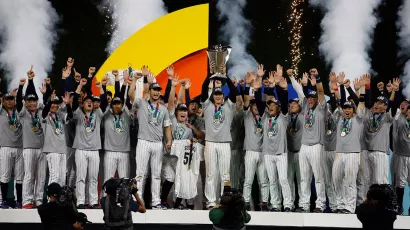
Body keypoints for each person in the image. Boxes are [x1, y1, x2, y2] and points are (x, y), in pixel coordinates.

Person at [128, 77, 172, 209]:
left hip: (158, 143)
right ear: (150, 91)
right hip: (143, 141)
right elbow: (130, 95)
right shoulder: (142, 103)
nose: (156, 92)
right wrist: (134, 81)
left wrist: (169, 140)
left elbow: (167, 126)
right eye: (154, 90)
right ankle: (137, 201)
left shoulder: (163, 109)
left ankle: (156, 202)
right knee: (141, 173)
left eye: (158, 90)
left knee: (156, 175)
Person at [72, 76, 108, 209]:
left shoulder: (98, 114)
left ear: (94, 105)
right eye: (86, 101)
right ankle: (81, 201)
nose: (89, 103)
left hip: (94, 150)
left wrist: (100, 88)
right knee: (81, 176)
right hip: (80, 149)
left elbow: (104, 102)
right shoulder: (78, 114)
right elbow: (75, 101)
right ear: (82, 104)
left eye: (91, 102)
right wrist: (80, 86)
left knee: (93, 177)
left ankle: (93, 201)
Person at [296, 69, 327, 213]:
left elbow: (320, 92)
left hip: (316, 146)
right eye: (308, 98)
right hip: (304, 146)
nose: (309, 100)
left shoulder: (321, 109)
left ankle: (320, 205)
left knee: (319, 177)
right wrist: (294, 79)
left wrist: (318, 78)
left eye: (312, 98)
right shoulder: (305, 108)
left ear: (316, 100)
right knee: (304, 178)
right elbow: (300, 92)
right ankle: (304, 204)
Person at [18, 67, 46, 209]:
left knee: (41, 177)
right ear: (25, 103)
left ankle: (39, 200)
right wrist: (28, 81)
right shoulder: (23, 113)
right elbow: (18, 103)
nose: (33, 103)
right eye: (29, 101)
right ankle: (27, 201)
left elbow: (42, 101)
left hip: (42, 148)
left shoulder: (41, 111)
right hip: (28, 148)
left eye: (34, 101)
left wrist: (32, 81)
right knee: (29, 176)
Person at [0, 91, 24, 209]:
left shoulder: (18, 112)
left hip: (20, 148)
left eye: (11, 99)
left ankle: (18, 201)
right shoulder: (1, 112)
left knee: (19, 177)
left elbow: (20, 101)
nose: (10, 101)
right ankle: (3, 201)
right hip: (5, 147)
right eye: (7, 99)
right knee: (5, 175)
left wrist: (20, 88)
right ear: (3, 101)